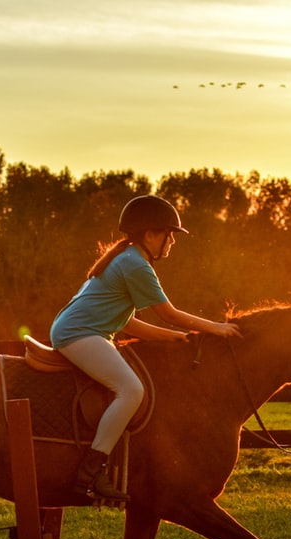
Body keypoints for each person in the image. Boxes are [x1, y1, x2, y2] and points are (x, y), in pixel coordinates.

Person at [50, 194, 242, 501]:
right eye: (170, 235)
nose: (172, 243)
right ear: (152, 234)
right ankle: (91, 471)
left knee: (129, 387)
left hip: (83, 333)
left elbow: (127, 324)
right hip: (79, 335)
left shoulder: (125, 258)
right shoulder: (135, 264)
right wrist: (215, 327)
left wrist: (174, 338)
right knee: (132, 391)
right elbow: (169, 313)